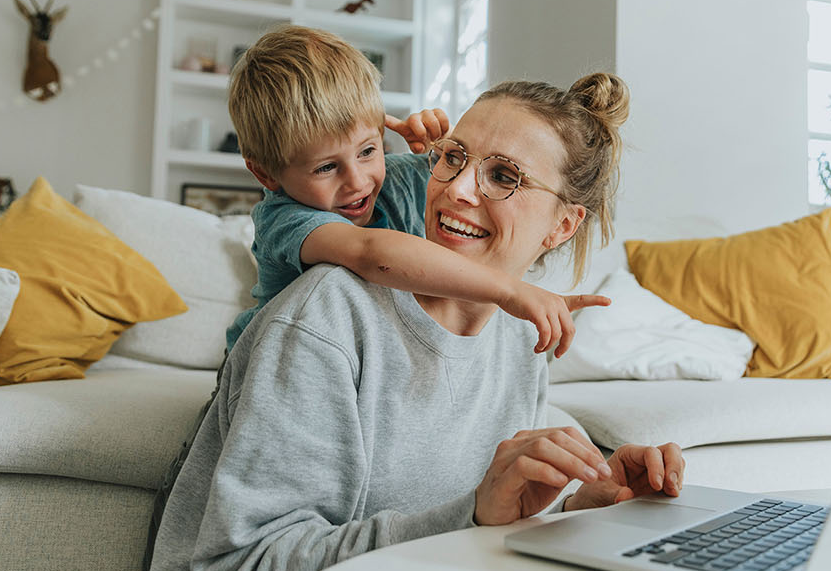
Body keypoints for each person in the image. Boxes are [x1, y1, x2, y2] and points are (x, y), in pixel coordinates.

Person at [147, 73, 686, 571]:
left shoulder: (518, 339)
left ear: (563, 225)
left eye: (503, 176)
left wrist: (584, 503)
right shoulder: (324, 316)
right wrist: (471, 518)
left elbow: (494, 517)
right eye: (453, 157)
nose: (456, 190)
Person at [225, 24, 606, 356]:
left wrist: (441, 149)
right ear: (266, 175)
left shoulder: (397, 178)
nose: (358, 181)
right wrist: (507, 290)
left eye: (368, 151)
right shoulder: (284, 217)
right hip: (274, 368)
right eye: (326, 167)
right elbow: (370, 253)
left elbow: (463, 182)